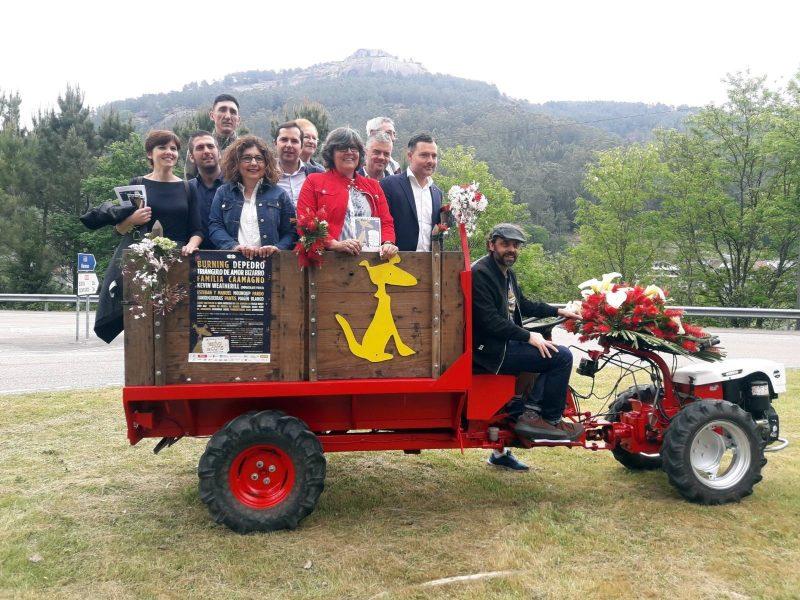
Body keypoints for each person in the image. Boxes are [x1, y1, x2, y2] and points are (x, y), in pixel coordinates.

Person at [472, 224, 583, 470]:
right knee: (562, 356)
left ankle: (520, 419)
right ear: (491, 245)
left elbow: (523, 304)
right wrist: (528, 336)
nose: (511, 249)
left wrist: (558, 311)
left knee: (547, 348)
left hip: (501, 344)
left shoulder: (505, 273)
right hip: (489, 351)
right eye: (505, 244)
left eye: (516, 245)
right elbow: (489, 321)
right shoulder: (481, 273)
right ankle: (548, 419)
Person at [95, 130, 203, 343]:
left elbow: (197, 230)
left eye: (173, 148)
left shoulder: (187, 188)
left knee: (176, 326)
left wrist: (192, 244)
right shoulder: (137, 184)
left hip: (177, 265)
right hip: (141, 267)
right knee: (141, 325)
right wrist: (132, 219)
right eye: (162, 147)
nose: (169, 152)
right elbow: (119, 230)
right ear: (149, 154)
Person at [296, 127, 398, 258]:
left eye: (354, 149)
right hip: (328, 261)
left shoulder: (373, 186)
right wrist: (333, 244)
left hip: (369, 262)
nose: (349, 152)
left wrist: (387, 243)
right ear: (331, 153)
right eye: (342, 148)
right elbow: (304, 222)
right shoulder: (314, 181)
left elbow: (386, 222)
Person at [208, 136, 297, 258]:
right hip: (233, 263)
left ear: (266, 163)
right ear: (236, 163)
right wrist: (233, 246)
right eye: (247, 158)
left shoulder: (280, 194)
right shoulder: (223, 193)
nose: (254, 163)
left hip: (270, 264)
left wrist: (278, 248)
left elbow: (291, 231)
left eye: (259, 158)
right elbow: (215, 226)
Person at [381, 133, 442, 252]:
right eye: (424, 155)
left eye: (434, 156)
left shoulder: (437, 193)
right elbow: (383, 223)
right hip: (395, 260)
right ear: (410, 156)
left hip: (430, 262)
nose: (430, 161)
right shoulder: (389, 185)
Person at [186, 130, 223, 248]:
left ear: (219, 153)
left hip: (233, 255)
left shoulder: (236, 186)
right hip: (195, 256)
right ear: (191, 157)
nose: (206, 151)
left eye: (210, 146)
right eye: (200, 148)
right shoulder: (186, 190)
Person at [274, 120, 323, 208]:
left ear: (301, 146)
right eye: (284, 140)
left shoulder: (318, 174)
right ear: (275, 143)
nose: (289, 145)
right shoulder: (264, 175)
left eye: (294, 141)